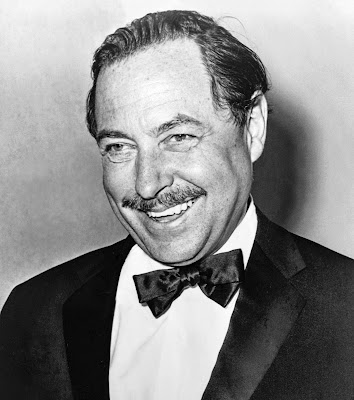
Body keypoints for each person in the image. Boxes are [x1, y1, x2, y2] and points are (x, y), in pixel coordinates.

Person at [0, 10, 353, 400]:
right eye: (119, 147)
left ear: (252, 127)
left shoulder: (347, 308)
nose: (148, 184)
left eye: (178, 136)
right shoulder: (33, 312)